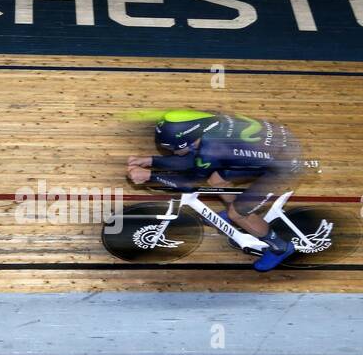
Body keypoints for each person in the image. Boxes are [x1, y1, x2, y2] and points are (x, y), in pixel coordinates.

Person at [126, 109, 304, 271]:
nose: (171, 152)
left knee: (238, 214)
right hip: (275, 148)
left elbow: (189, 182)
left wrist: (151, 176)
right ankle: (238, 216)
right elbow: (193, 159)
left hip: (284, 167)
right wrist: (151, 160)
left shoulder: (213, 150)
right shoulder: (208, 124)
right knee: (216, 179)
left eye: (172, 148)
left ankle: (279, 247)